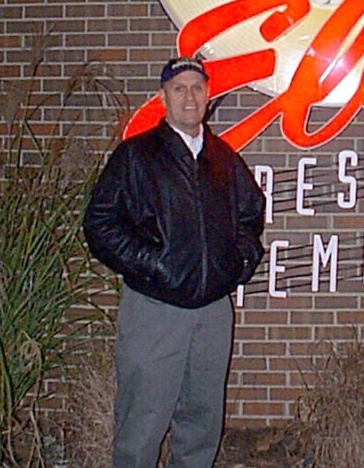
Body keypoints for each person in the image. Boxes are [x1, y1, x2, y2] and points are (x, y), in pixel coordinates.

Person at [84, 56, 265, 468]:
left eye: (197, 87)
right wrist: (155, 264)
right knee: (141, 425)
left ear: (208, 97)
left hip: (214, 311)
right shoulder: (136, 156)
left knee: (201, 425)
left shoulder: (224, 159)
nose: (190, 95)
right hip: (155, 310)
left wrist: (236, 263)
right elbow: (100, 225)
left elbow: (251, 215)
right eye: (179, 87)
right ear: (164, 95)